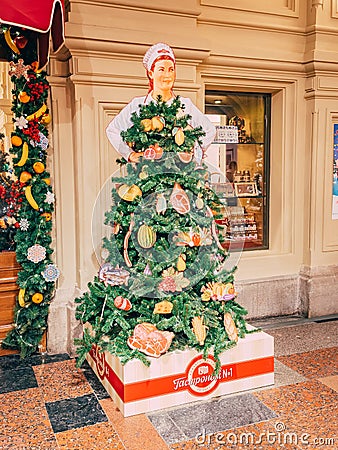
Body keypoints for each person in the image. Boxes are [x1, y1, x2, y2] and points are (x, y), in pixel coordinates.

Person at [106, 42, 215, 163]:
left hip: (180, 174)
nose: (167, 75)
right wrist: (130, 154)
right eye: (161, 69)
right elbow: (113, 130)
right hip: (145, 175)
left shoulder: (185, 105)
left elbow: (209, 130)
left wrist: (192, 152)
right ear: (151, 73)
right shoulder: (138, 105)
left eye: (171, 69)